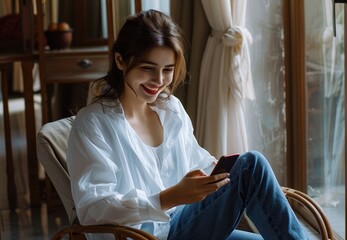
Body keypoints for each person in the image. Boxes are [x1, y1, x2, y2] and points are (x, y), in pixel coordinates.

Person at [66, 9, 308, 240]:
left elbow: (196, 160)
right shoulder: (93, 124)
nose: (159, 81)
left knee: (247, 172)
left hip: (184, 223)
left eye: (168, 70)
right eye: (147, 68)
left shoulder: (170, 109)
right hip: (141, 236)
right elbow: (93, 207)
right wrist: (167, 198)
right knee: (251, 165)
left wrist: (216, 172)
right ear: (120, 60)